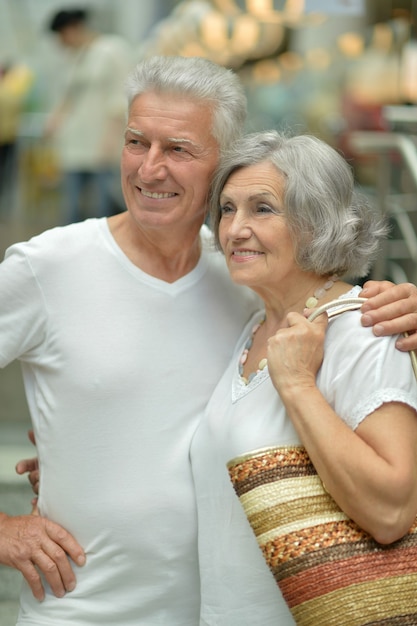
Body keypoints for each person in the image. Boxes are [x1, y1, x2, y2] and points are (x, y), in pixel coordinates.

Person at [1, 56, 417, 625]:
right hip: (80, 610)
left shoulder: (248, 284)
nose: (150, 169)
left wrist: (394, 305)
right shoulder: (46, 268)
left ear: (222, 162)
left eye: (178, 149)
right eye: (135, 141)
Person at [190, 130, 417, 625]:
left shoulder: (364, 330)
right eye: (227, 209)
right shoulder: (254, 326)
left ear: (316, 224)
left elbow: (391, 510)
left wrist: (296, 385)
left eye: (262, 209)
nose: (234, 229)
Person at [44, 8, 132, 224]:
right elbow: (67, 97)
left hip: (102, 143)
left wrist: (112, 137)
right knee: (71, 206)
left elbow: (121, 96)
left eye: (62, 35)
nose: (61, 42)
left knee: (101, 207)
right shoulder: (74, 58)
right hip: (74, 143)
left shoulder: (112, 50)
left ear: (74, 28)